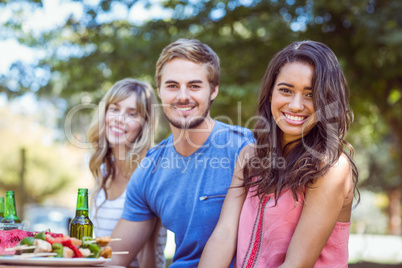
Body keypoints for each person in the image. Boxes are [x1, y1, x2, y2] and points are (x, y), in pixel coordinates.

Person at [199, 40, 360, 267]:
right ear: (271, 93)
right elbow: (224, 235)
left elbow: (296, 264)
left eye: (310, 94)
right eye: (285, 90)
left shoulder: (331, 167)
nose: (295, 105)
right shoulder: (250, 156)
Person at [109, 39, 253, 267]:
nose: (183, 96)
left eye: (195, 86)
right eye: (172, 86)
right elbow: (114, 256)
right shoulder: (149, 170)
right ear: (159, 90)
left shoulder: (245, 148)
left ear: (213, 90)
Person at [87, 78, 167, 268]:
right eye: (114, 109)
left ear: (144, 125)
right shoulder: (104, 168)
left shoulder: (150, 173)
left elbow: (145, 260)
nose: (119, 118)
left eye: (132, 114)